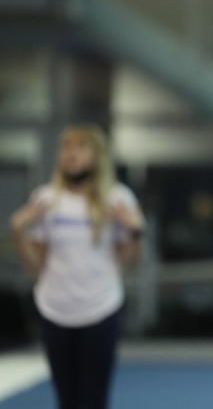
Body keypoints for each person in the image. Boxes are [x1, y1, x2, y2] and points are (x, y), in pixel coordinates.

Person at [9, 125, 145, 409]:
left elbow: (129, 263)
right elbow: (36, 267)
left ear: (96, 156)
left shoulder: (117, 199)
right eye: (66, 148)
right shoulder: (46, 199)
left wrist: (135, 232)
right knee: (67, 400)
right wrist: (18, 233)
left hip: (100, 309)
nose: (71, 155)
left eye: (80, 148)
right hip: (55, 310)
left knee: (93, 400)